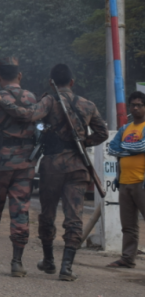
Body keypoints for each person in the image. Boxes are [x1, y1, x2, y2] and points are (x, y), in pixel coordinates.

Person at [34, 64, 108, 281]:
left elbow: (33, 119)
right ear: (72, 82)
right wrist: (84, 142)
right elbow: (102, 132)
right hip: (77, 166)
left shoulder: (47, 101)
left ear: (51, 82)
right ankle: (66, 267)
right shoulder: (87, 104)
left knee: (47, 214)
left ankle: (48, 261)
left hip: (52, 167)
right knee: (74, 217)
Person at [0, 56, 46, 277]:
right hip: (24, 164)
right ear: (19, 75)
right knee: (21, 210)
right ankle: (17, 262)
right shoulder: (32, 97)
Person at [106, 90, 145, 270]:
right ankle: (127, 258)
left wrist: (125, 147)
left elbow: (141, 145)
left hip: (142, 182)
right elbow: (112, 149)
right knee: (128, 225)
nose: (135, 108)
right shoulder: (125, 129)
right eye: (133, 105)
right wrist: (131, 149)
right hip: (125, 182)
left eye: (139, 105)